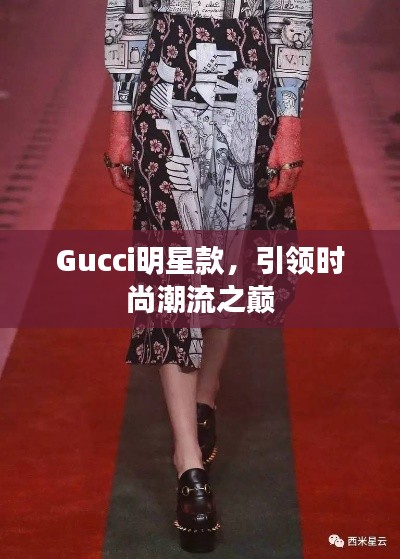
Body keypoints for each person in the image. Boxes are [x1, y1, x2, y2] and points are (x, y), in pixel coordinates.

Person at [104, 0, 313, 552]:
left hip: (251, 87)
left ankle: (208, 391)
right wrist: (120, 115)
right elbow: (127, 12)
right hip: (165, 86)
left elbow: (290, 13)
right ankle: (188, 460)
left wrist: (290, 119)